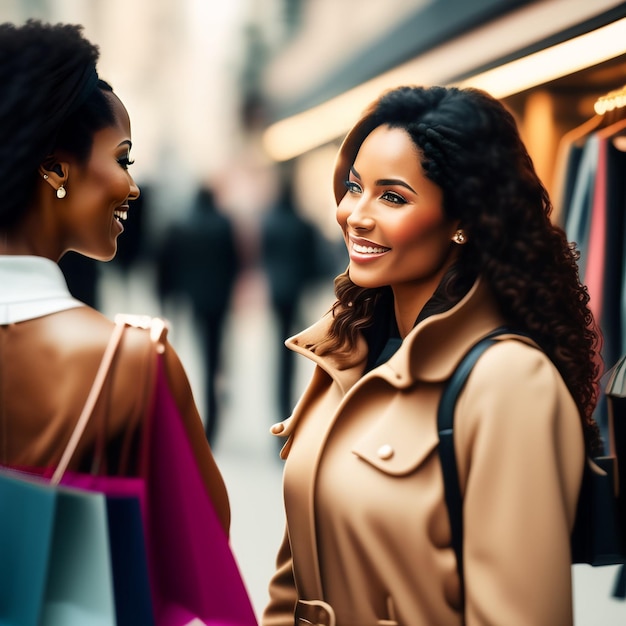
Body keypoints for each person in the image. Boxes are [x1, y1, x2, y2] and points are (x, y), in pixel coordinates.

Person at [263, 85, 603, 625]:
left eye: (392, 197)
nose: (356, 215)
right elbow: (294, 583)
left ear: (463, 221)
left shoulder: (510, 382)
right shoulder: (345, 352)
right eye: (355, 187)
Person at [0, 21, 230, 532]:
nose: (133, 186)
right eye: (122, 158)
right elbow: (199, 550)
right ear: (56, 171)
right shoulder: (130, 361)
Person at [156, 185, 240, 445]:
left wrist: (167, 296)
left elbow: (168, 263)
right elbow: (234, 262)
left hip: (194, 301)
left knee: (201, 355)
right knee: (214, 356)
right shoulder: (224, 224)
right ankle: (213, 417)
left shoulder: (183, 224)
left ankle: (201, 414)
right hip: (219, 301)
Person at [260, 177, 320, 426]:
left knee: (280, 344)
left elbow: (264, 255)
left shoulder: (270, 222)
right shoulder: (302, 223)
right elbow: (312, 259)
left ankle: (280, 402)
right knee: (292, 346)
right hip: (295, 290)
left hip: (277, 291)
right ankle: (289, 403)